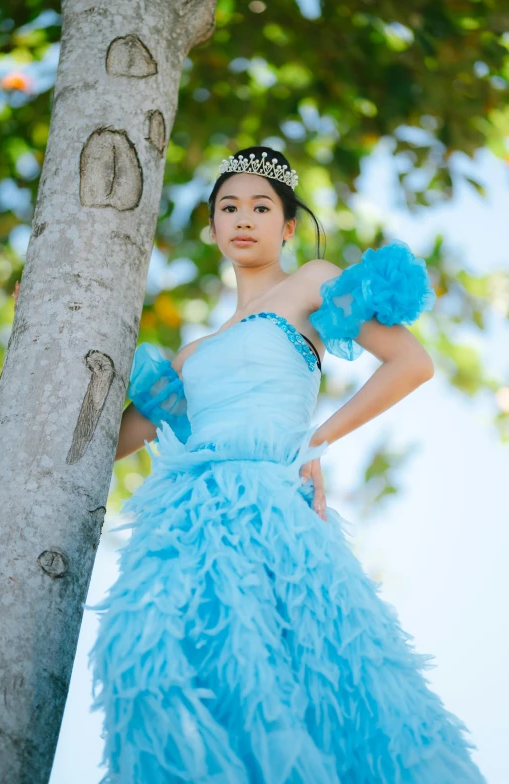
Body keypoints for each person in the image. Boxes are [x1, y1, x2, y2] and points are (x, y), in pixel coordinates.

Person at [78, 146, 485, 783]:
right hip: (181, 524)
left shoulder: (312, 282)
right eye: (229, 209)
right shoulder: (192, 351)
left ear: (287, 226)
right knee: (149, 658)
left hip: (269, 506)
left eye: (261, 207)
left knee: (292, 682)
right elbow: (113, 442)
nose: (244, 219)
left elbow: (412, 364)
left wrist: (317, 441)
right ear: (212, 230)